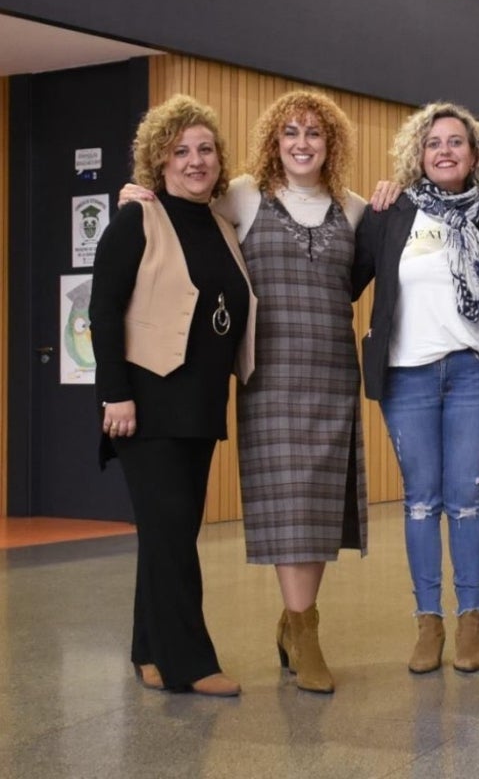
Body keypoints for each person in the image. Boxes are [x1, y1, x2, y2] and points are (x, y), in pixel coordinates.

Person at [121, 90, 369, 694]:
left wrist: (392, 192)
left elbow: (372, 267)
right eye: (291, 133)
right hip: (269, 378)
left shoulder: (357, 209)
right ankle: (304, 633)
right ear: (273, 141)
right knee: (289, 506)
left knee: (319, 509)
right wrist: (134, 196)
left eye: (315, 133)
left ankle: (294, 624)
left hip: (336, 375)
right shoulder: (243, 196)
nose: (303, 144)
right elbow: (178, 199)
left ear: (331, 143)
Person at [353, 101, 479, 675]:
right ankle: (428, 621)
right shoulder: (390, 214)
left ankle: (470, 621)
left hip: (472, 373)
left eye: (456, 142)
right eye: (434, 143)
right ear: (419, 154)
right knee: (420, 502)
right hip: (406, 374)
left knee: (465, 501)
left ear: (475, 154)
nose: (445, 151)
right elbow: (341, 275)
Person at [90, 94, 254, 697]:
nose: (195, 160)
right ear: (158, 161)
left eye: (205, 149)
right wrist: (114, 395)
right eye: (180, 150)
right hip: (145, 407)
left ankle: (146, 649)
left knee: (170, 535)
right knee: (170, 534)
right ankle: (190, 663)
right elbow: (102, 310)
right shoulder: (137, 218)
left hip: (200, 406)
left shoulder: (222, 223)